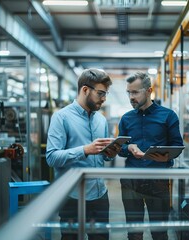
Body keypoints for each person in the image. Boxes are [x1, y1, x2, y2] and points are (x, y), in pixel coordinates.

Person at [46, 68, 121, 240]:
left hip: (100, 194)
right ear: (85, 90)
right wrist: (85, 150)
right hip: (73, 197)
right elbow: (51, 157)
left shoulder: (101, 120)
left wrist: (110, 153)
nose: (104, 99)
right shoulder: (61, 118)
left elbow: (102, 156)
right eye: (101, 93)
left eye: (106, 94)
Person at [118, 71, 184, 240]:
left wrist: (167, 156)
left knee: (160, 232)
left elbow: (177, 145)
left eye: (135, 92)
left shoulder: (168, 116)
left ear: (149, 91)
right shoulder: (126, 119)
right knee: (134, 233)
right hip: (131, 182)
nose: (131, 97)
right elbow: (120, 147)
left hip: (158, 180)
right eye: (129, 92)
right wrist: (128, 148)